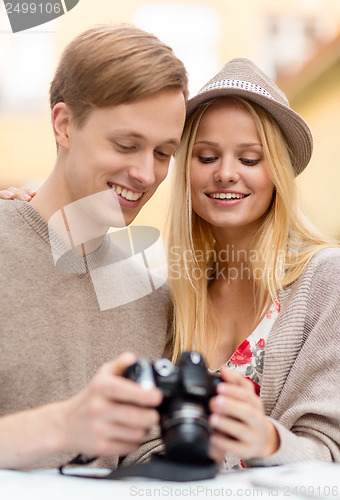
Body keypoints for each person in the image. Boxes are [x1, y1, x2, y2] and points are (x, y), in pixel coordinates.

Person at [0, 24, 188, 470]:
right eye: (126, 145)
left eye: (164, 153)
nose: (146, 174)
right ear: (64, 125)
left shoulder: (151, 297)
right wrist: (61, 426)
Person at [166, 58, 340, 469]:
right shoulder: (174, 294)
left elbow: (331, 453)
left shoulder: (325, 279)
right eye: (206, 157)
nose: (226, 174)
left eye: (249, 159)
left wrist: (265, 439)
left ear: (277, 171)